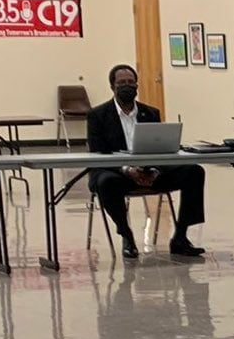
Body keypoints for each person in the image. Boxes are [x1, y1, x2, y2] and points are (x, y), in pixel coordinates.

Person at [86, 64, 207, 260]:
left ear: (137, 85)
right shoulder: (97, 115)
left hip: (150, 172)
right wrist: (128, 170)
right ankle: (126, 235)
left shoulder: (150, 113)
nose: (127, 86)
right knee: (105, 182)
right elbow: (98, 153)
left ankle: (181, 237)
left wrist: (154, 170)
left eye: (131, 82)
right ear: (112, 87)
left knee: (194, 171)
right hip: (117, 173)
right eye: (122, 83)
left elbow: (158, 147)